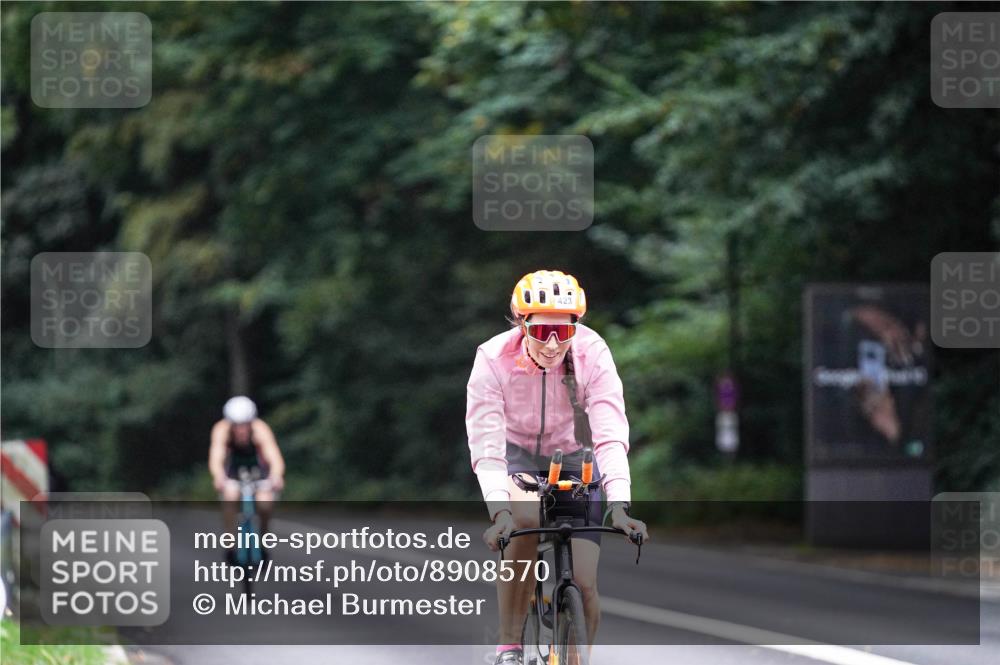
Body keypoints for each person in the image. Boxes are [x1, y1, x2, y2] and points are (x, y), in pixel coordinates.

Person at [467, 270, 649, 665]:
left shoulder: (592, 352)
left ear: (575, 328)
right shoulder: (492, 359)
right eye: (542, 331)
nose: (552, 344)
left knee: (584, 583)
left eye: (563, 332)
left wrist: (620, 505)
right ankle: (509, 647)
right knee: (523, 520)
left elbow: (610, 435)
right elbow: (487, 447)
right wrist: (500, 514)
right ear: (522, 325)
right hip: (517, 455)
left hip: (574, 457)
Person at [209, 396, 285, 541]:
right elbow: (216, 457)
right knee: (230, 497)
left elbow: (275, 458)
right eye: (236, 425)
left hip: (259, 474)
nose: (241, 430)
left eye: (244, 425)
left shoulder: (260, 430)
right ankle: (230, 543)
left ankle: (263, 539)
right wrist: (218, 476)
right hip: (233, 474)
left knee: (265, 502)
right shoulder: (221, 430)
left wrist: (276, 476)